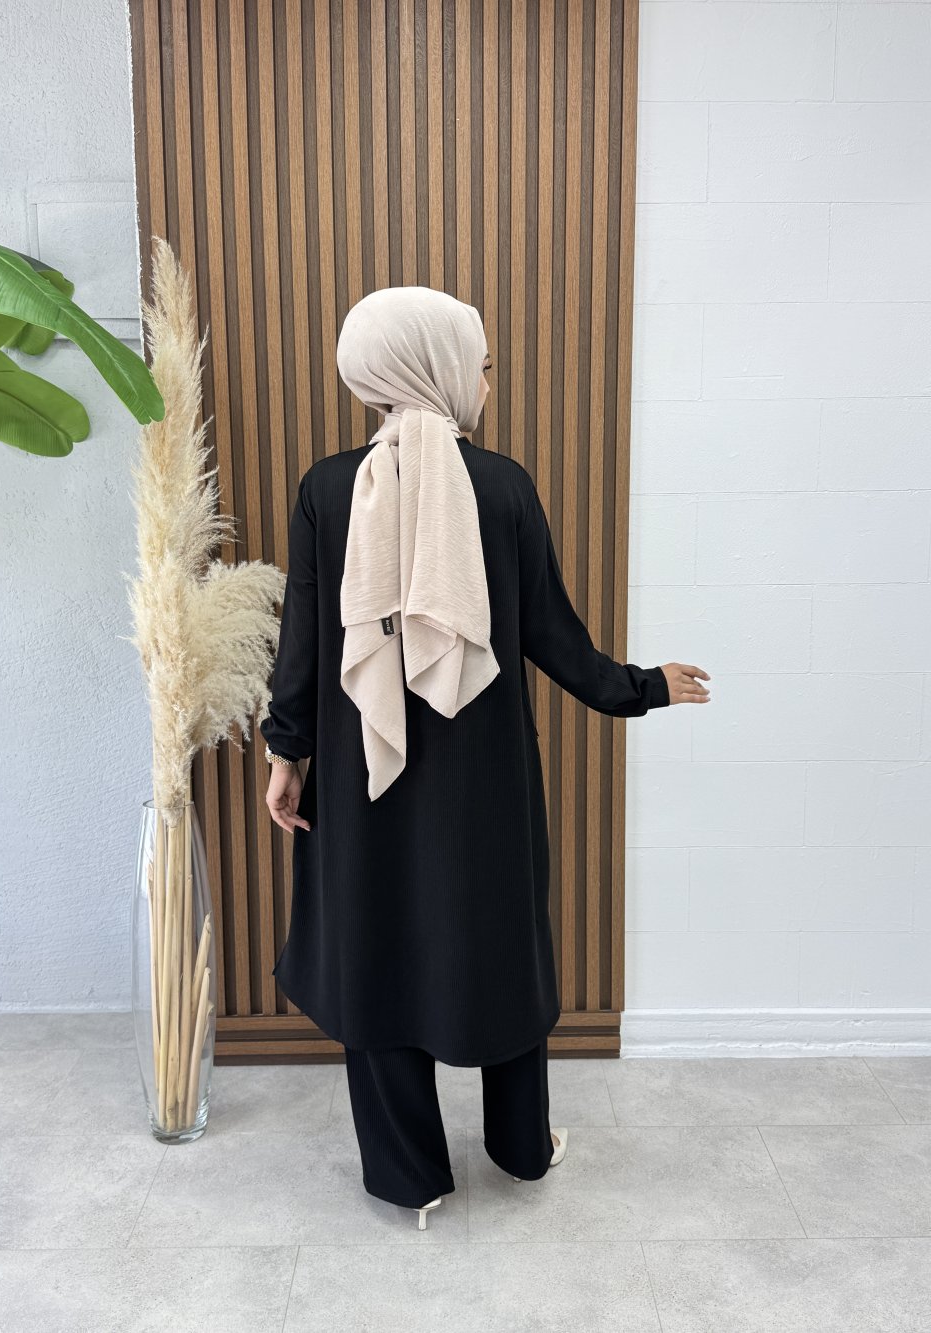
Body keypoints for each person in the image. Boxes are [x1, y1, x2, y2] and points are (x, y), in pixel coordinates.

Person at [259, 285, 711, 1228]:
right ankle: (522, 1147)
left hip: (361, 774)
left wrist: (288, 753)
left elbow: (301, 645)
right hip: (486, 782)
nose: (488, 381)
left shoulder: (327, 489)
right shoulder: (501, 485)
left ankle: (410, 1177)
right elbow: (555, 635)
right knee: (499, 947)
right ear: (430, 364)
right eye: (483, 364)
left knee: (376, 950)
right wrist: (642, 686)